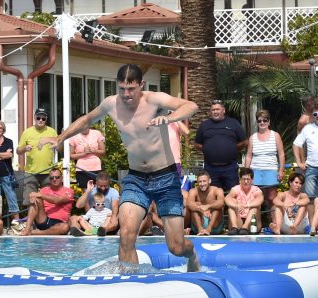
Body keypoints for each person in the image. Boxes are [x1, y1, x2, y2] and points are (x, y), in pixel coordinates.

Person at [38, 63, 200, 271]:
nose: (126, 94)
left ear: (141, 85)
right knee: (126, 235)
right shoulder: (111, 104)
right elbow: (87, 118)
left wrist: (168, 118)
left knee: (177, 247)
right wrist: (61, 137)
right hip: (136, 178)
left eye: (131, 89)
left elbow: (191, 106)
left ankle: (192, 254)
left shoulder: (154, 100)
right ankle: (133, 284)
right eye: (121, 88)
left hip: (166, 177)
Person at [194, 100, 247, 192]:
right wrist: (207, 149)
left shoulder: (233, 123)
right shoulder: (204, 125)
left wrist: (234, 149)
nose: (215, 112)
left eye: (217, 109)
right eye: (213, 110)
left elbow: (244, 142)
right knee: (213, 195)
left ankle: (231, 207)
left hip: (230, 167)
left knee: (233, 193)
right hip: (211, 168)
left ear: (223, 110)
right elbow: (197, 144)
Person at [17, 107, 58, 207]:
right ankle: (30, 221)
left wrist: (57, 141)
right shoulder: (27, 132)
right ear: (35, 118)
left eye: (43, 118)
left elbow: (59, 149)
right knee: (29, 200)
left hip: (48, 171)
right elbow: (18, 151)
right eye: (38, 117)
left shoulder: (52, 131)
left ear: (46, 119)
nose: (40, 120)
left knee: (48, 201)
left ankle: (47, 221)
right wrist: (25, 148)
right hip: (31, 172)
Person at [244, 109, 285, 208]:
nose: (262, 122)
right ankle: (257, 222)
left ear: (269, 121)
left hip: (271, 170)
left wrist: (281, 170)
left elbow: (281, 155)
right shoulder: (252, 137)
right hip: (256, 171)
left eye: (265, 120)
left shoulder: (275, 135)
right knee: (257, 199)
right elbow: (249, 156)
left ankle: (274, 222)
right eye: (259, 121)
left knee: (272, 198)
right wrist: (246, 172)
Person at [21, 168, 74, 236]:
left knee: (65, 227)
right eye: (52, 178)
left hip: (60, 223)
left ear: (62, 178)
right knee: (37, 200)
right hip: (44, 220)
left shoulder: (69, 191)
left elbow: (57, 200)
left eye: (57, 177)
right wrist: (32, 198)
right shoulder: (44, 190)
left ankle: (38, 233)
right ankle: (27, 229)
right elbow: (35, 200)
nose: (54, 179)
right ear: (49, 179)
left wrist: (40, 195)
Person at [69, 171, 120, 237]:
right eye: (100, 186)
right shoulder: (91, 191)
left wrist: (113, 217)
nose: (103, 188)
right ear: (96, 183)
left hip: (107, 222)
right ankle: (78, 233)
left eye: (105, 186)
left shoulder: (113, 192)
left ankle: (103, 230)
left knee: (114, 218)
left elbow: (115, 209)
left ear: (109, 183)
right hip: (92, 221)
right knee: (73, 218)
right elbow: (78, 205)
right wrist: (87, 190)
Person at [185, 170, 225, 236]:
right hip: (198, 225)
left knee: (217, 205)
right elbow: (189, 204)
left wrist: (208, 206)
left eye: (204, 181)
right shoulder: (193, 191)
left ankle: (208, 229)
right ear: (197, 182)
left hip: (215, 225)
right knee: (196, 205)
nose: (202, 184)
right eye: (200, 182)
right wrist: (201, 209)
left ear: (209, 181)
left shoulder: (217, 190)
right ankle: (201, 229)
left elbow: (221, 203)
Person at [225, 168, 264, 235]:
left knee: (255, 207)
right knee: (231, 206)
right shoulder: (235, 189)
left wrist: (247, 205)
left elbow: (260, 199)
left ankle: (245, 228)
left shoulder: (256, 189)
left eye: (248, 179)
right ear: (240, 180)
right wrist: (236, 206)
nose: (246, 181)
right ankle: (234, 228)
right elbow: (227, 199)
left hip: (252, 223)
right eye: (244, 179)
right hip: (238, 220)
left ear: (252, 180)